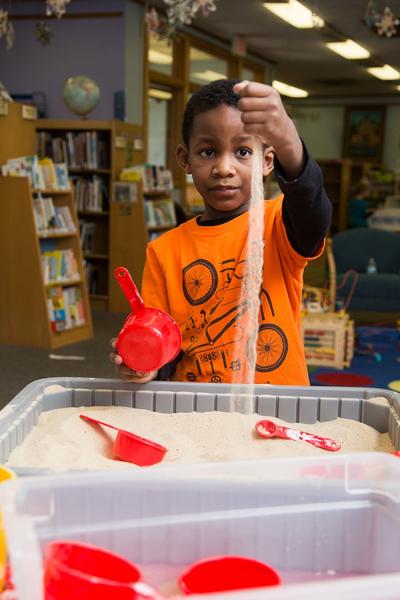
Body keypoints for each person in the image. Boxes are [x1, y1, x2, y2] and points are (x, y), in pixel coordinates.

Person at [110, 79, 332, 386]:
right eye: (207, 152)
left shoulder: (278, 223)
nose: (224, 167)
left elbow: (312, 208)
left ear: (267, 161)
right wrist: (145, 362)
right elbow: (165, 346)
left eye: (243, 151)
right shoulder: (164, 251)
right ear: (185, 159)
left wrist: (287, 140)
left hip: (277, 407)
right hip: (195, 407)